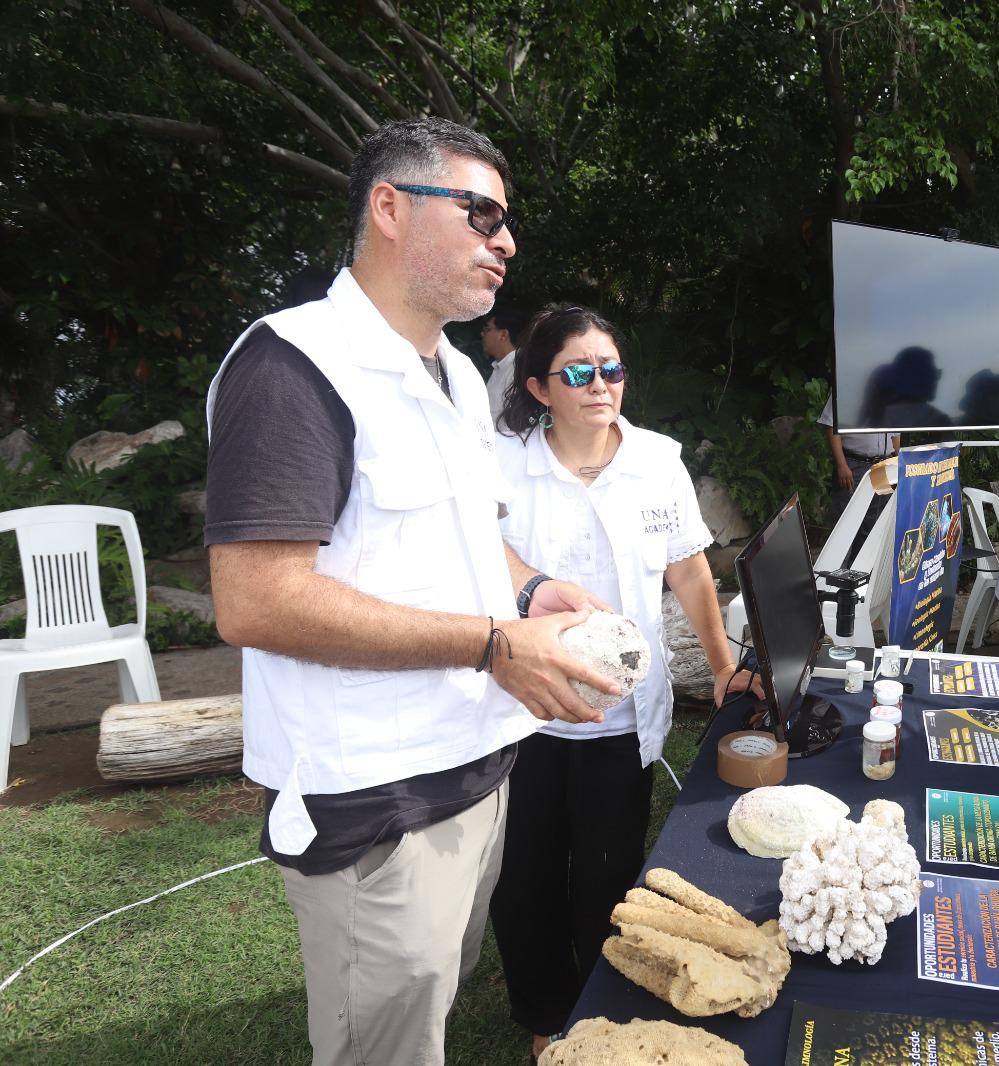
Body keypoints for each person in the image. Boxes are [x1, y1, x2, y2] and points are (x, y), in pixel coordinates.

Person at [205, 118, 619, 1066]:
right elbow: (257, 601)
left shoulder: (464, 380)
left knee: (427, 1019)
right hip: (374, 806)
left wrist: (534, 591)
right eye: (481, 213)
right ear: (388, 208)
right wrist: (491, 645)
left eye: (505, 221)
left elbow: (471, 545)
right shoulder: (295, 366)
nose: (505, 241)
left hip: (474, 771)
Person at [489, 306, 758, 1057]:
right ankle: (546, 1020)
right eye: (578, 371)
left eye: (610, 368)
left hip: (621, 718)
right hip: (526, 713)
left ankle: (598, 1017)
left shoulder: (655, 462)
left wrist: (723, 662)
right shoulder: (501, 463)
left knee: (608, 877)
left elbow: (690, 570)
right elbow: (476, 557)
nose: (600, 384)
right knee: (526, 877)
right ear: (540, 387)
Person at [817, 387, 898, 532]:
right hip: (853, 465)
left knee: (873, 525)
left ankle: (864, 555)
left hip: (884, 466)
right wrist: (841, 465)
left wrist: (899, 461)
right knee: (845, 525)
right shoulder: (845, 386)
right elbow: (831, 426)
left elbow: (896, 433)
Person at [482, 304, 530, 424]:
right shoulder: (500, 366)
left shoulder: (520, 367)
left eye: (488, 329)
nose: (482, 334)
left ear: (503, 335)